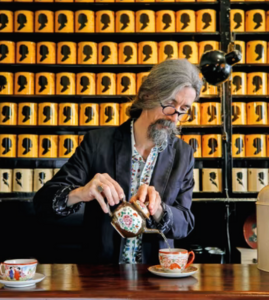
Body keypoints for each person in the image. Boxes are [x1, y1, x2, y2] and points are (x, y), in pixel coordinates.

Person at [33, 59, 201, 264]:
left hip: (157, 275)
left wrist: (159, 210)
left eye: (183, 109)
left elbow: (185, 224)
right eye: (170, 105)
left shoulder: (183, 154)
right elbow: (43, 204)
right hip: (101, 274)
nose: (175, 119)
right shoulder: (98, 143)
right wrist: (81, 192)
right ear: (147, 95)